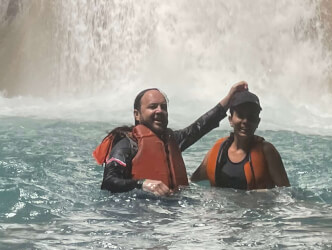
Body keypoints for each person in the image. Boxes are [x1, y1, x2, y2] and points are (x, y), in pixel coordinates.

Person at [94, 82, 249, 196]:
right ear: (137, 115)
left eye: (163, 107)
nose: (159, 111)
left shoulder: (172, 140)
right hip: (136, 216)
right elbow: (108, 182)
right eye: (153, 107)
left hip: (173, 214)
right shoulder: (126, 145)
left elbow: (200, 127)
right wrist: (142, 184)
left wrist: (228, 100)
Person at [190, 90, 290, 190]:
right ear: (230, 120)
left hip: (256, 205)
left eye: (251, 117)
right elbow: (191, 182)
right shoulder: (217, 150)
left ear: (258, 122)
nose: (246, 121)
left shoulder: (267, 151)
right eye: (241, 115)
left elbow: (286, 193)